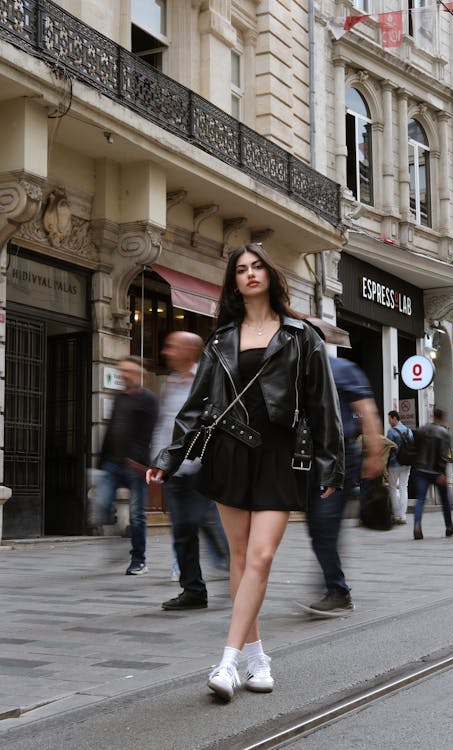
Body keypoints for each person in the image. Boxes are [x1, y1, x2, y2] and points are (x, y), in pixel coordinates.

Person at [147, 244, 343, 701]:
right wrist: (168, 459)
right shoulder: (220, 340)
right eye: (241, 269)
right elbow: (197, 406)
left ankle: (228, 660)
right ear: (234, 282)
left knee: (260, 558)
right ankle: (258, 659)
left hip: (279, 455)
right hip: (229, 452)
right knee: (238, 559)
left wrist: (331, 462)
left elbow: (323, 404)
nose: (250, 274)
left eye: (257, 266)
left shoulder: (301, 335)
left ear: (271, 275)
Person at [298, 318, 384, 616]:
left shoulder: (343, 370)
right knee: (315, 526)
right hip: (305, 459)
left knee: (324, 524)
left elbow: (367, 412)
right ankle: (331, 586)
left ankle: (337, 591)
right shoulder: (295, 373)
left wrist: (374, 455)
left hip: (339, 456)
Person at [151, 331, 229, 611]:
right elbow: (165, 424)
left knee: (192, 522)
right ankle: (193, 591)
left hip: (199, 468)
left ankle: (232, 565)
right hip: (175, 471)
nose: (166, 351)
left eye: (172, 346)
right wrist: (159, 460)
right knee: (184, 530)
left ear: (190, 351)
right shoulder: (171, 382)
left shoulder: (206, 380)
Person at [95, 356, 159, 575]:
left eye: (129, 371)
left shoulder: (148, 399)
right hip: (112, 463)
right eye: (122, 371)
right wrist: (100, 462)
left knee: (137, 514)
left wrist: (138, 460)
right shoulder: (119, 398)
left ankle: (139, 560)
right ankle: (121, 543)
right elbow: (111, 428)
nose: (124, 375)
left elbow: (149, 433)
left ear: (140, 374)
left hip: (136, 466)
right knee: (101, 505)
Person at [412, 407, 453, 540]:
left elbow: (416, 449)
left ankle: (417, 524)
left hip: (420, 469)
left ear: (433, 416)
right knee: (445, 500)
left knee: (420, 499)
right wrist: (442, 472)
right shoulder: (444, 433)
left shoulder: (422, 429)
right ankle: (449, 527)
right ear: (442, 418)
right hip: (437, 472)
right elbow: (444, 454)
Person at [386, 410, 413, 524]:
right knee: (403, 488)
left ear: (394, 418)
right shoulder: (408, 430)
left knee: (392, 488)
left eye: (389, 419)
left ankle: (396, 515)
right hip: (407, 463)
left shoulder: (391, 432)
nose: (389, 422)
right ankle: (403, 516)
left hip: (394, 464)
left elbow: (387, 448)